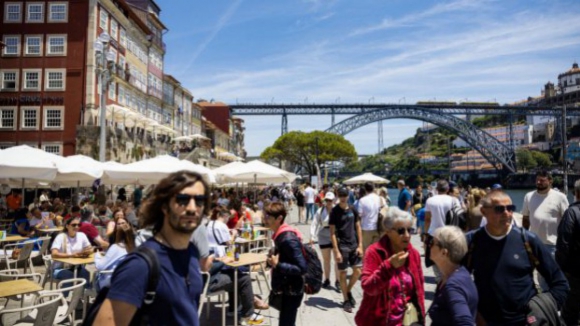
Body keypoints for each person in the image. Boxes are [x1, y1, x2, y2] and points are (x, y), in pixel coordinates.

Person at [93, 171, 207, 326]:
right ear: (165, 207)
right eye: (182, 200)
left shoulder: (192, 253)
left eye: (200, 201)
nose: (192, 208)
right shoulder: (140, 266)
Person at [465, 191, 569, 326]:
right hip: (485, 321)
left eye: (510, 208)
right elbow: (458, 282)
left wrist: (541, 311)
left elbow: (560, 283)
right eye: (499, 209)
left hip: (526, 321)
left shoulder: (528, 240)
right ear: (484, 212)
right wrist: (474, 314)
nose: (506, 213)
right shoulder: (472, 241)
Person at [355, 207, 425, 326]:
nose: (407, 235)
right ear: (388, 231)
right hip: (378, 321)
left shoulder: (414, 254)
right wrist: (388, 266)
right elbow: (368, 287)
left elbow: (419, 291)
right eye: (401, 231)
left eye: (410, 230)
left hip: (407, 321)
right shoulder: (374, 252)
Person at [206, 206, 266, 324]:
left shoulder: (208, 225)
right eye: (228, 217)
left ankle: (234, 308)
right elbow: (229, 243)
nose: (228, 219)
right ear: (224, 216)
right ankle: (248, 314)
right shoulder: (221, 226)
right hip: (209, 279)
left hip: (209, 272)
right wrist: (233, 234)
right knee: (244, 278)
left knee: (235, 273)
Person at [522, 170, 569, 290]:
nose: (539, 182)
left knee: (549, 275)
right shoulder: (529, 196)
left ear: (550, 181)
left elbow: (567, 221)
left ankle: (551, 302)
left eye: (542, 180)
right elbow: (526, 218)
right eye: (537, 180)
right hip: (532, 244)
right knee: (530, 274)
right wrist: (523, 236)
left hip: (552, 244)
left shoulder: (560, 197)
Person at [265, 202, 307, 326]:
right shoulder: (279, 236)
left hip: (291, 290)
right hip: (286, 288)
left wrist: (278, 265)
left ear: (279, 219)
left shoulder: (288, 239)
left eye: (269, 217)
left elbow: (302, 268)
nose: (266, 220)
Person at [428, 226, 478, 325]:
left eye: (432, 243)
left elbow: (465, 323)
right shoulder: (457, 273)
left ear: (443, 253)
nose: (428, 246)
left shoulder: (453, 286)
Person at [331, 187, 363, 313]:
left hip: (354, 245)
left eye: (345, 195)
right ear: (338, 196)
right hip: (342, 246)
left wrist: (360, 245)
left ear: (348, 195)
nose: (343, 197)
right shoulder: (334, 211)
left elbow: (358, 227)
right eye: (341, 195)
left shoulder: (353, 209)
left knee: (358, 271)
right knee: (343, 273)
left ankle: (348, 290)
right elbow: (332, 233)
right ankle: (345, 300)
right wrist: (336, 251)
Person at [424, 180, 458, 282]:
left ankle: (440, 280)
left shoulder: (430, 200)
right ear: (448, 189)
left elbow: (427, 219)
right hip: (449, 234)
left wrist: (425, 234)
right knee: (449, 259)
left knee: (435, 259)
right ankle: (449, 280)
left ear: (437, 189)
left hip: (434, 233)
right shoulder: (454, 200)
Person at [556, 179, 580, 326]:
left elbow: (563, 243)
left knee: (570, 312)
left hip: (575, 273)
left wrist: (560, 269)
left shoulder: (572, 212)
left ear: (576, 193)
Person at [310, 191, 340, 292]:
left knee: (337, 259)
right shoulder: (320, 210)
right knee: (326, 260)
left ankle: (338, 281)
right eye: (327, 200)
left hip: (335, 235)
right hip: (323, 234)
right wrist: (312, 236)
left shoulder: (338, 209)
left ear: (333, 200)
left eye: (330, 200)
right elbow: (314, 223)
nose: (329, 202)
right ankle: (327, 279)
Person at [94, 218, 135, 290]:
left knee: (95, 275)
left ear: (118, 234)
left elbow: (100, 266)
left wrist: (97, 255)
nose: (120, 225)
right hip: (127, 280)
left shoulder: (116, 246)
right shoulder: (135, 247)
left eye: (123, 223)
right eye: (118, 224)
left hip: (111, 281)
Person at [50, 217, 93, 285]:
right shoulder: (60, 237)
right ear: (67, 226)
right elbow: (54, 254)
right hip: (59, 268)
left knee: (85, 273)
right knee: (69, 275)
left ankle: (81, 295)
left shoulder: (82, 235)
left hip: (77, 267)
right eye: (74, 225)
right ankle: (64, 295)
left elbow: (90, 248)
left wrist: (88, 251)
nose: (76, 227)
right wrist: (72, 255)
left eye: (78, 225)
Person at [357, 182, 382, 252]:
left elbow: (359, 214)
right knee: (376, 251)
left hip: (366, 228)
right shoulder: (378, 198)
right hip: (377, 227)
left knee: (366, 251)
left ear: (365, 189)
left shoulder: (362, 200)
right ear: (373, 188)